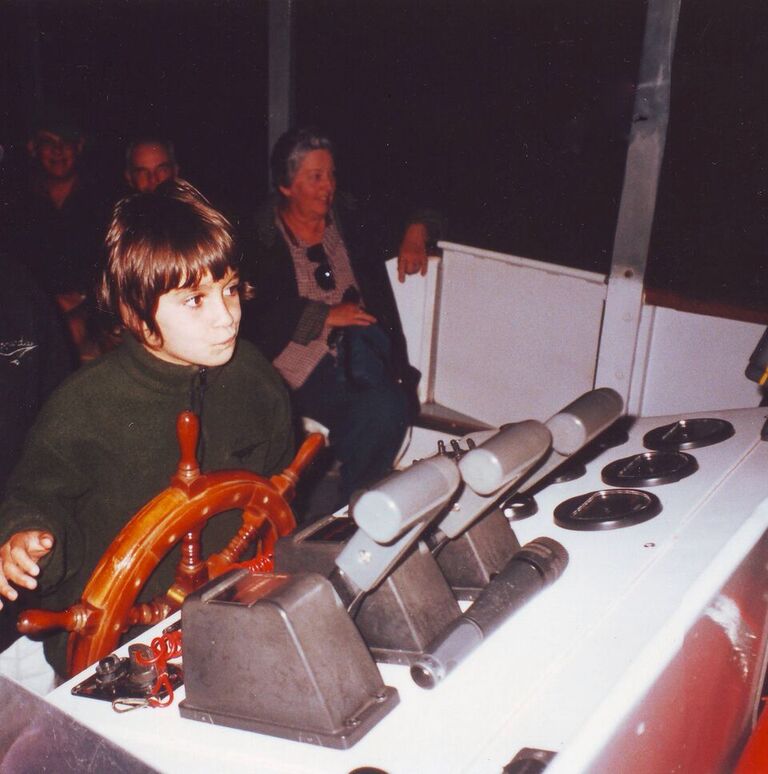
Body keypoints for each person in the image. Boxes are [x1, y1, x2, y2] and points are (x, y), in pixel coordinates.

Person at [0, 179, 294, 680]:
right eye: (195, 300)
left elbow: (278, 488)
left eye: (229, 290)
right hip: (112, 639)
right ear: (136, 315)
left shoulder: (254, 378)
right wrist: (24, 537)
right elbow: (37, 492)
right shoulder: (85, 405)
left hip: (227, 599)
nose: (226, 318)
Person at [239, 127, 423, 503]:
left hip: (359, 349)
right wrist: (322, 315)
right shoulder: (260, 239)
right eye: (316, 177)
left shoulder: (349, 219)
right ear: (287, 186)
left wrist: (417, 230)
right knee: (381, 408)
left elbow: (414, 196)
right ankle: (354, 503)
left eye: (331, 175)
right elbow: (254, 319)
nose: (329, 186)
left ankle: (353, 496)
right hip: (295, 365)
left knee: (388, 401)